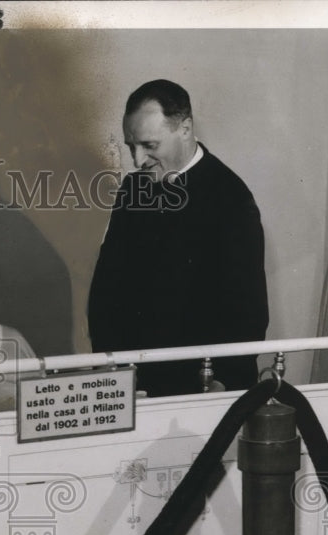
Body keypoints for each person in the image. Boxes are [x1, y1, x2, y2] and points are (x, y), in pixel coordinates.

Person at [87, 80, 268, 397]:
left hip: (201, 386)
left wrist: (222, 383)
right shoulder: (135, 188)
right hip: (134, 382)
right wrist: (110, 369)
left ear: (185, 129)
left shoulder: (231, 198)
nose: (138, 160)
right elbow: (106, 289)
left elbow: (247, 310)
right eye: (132, 146)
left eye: (149, 146)